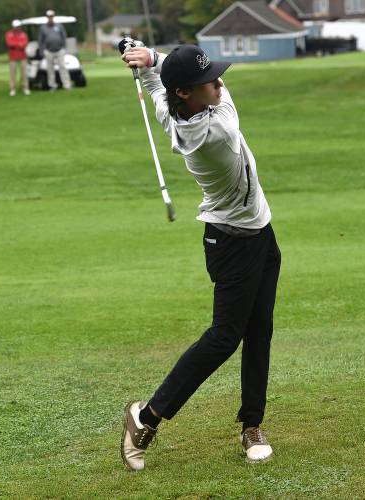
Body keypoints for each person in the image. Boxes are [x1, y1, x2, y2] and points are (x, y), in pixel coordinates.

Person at [119, 44, 281, 471]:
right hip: (233, 243)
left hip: (260, 232)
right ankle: (146, 416)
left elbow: (157, 88)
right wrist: (153, 56)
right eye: (210, 80)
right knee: (225, 337)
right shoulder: (217, 131)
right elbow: (177, 85)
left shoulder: (172, 106)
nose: (220, 83)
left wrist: (148, 61)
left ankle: (252, 424)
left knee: (259, 329)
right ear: (188, 93)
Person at [38, 10, 71, 91]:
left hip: (59, 50)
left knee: (62, 67)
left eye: (51, 16)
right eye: (49, 16)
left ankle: (67, 84)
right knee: (50, 69)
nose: (50, 18)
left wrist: (64, 48)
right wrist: (42, 51)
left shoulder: (59, 26)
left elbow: (64, 37)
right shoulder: (43, 28)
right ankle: (52, 85)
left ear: (53, 16)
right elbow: (41, 40)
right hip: (48, 51)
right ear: (47, 17)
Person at [5, 19, 29, 96]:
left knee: (24, 74)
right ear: (13, 27)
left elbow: (24, 44)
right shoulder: (9, 34)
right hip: (12, 57)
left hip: (22, 56)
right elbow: (9, 44)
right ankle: (12, 89)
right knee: (13, 73)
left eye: (18, 27)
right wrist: (18, 43)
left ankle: (25, 88)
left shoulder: (23, 34)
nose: (17, 28)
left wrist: (16, 44)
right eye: (16, 27)